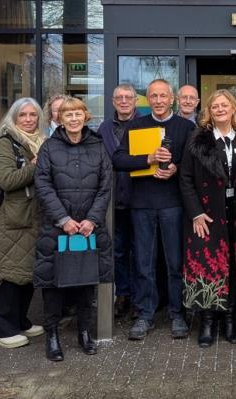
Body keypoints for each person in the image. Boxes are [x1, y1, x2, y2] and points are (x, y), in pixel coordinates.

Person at [112, 79, 194, 340]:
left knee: (174, 262)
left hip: (173, 203)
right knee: (144, 263)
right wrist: (147, 159)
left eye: (163, 96)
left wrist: (175, 168)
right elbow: (118, 159)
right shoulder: (136, 125)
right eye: (153, 96)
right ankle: (145, 313)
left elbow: (194, 164)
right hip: (142, 204)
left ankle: (177, 313)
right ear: (148, 100)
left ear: (172, 99)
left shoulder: (185, 127)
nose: (158, 101)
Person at [34, 97, 113, 361]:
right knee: (53, 284)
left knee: (86, 282)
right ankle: (52, 335)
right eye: (68, 115)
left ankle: (84, 332)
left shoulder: (98, 146)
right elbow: (43, 186)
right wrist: (63, 219)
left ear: (85, 116)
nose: (74, 119)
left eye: (78, 113)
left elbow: (105, 186)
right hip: (57, 229)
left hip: (89, 229)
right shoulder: (48, 148)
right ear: (60, 119)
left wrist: (92, 219)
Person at [180, 90, 236, 348]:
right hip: (207, 215)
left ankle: (231, 321)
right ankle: (208, 323)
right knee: (208, 266)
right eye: (215, 107)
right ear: (209, 112)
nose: (220, 109)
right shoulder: (198, 140)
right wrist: (195, 213)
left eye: (225, 105)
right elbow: (186, 179)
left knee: (234, 267)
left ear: (233, 109)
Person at [0, 98, 47, 349]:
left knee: (26, 273)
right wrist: (35, 165)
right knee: (8, 274)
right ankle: (2, 330)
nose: (28, 119)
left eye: (33, 115)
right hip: (11, 220)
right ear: (14, 118)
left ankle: (20, 321)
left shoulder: (40, 142)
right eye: (23, 115)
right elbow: (6, 180)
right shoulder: (5, 143)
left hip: (32, 218)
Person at [98, 84, 141, 318]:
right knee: (118, 251)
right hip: (113, 202)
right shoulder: (104, 129)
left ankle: (139, 297)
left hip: (140, 198)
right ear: (113, 102)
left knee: (140, 252)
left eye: (128, 97)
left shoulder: (146, 124)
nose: (124, 101)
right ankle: (122, 294)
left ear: (135, 100)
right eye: (119, 98)